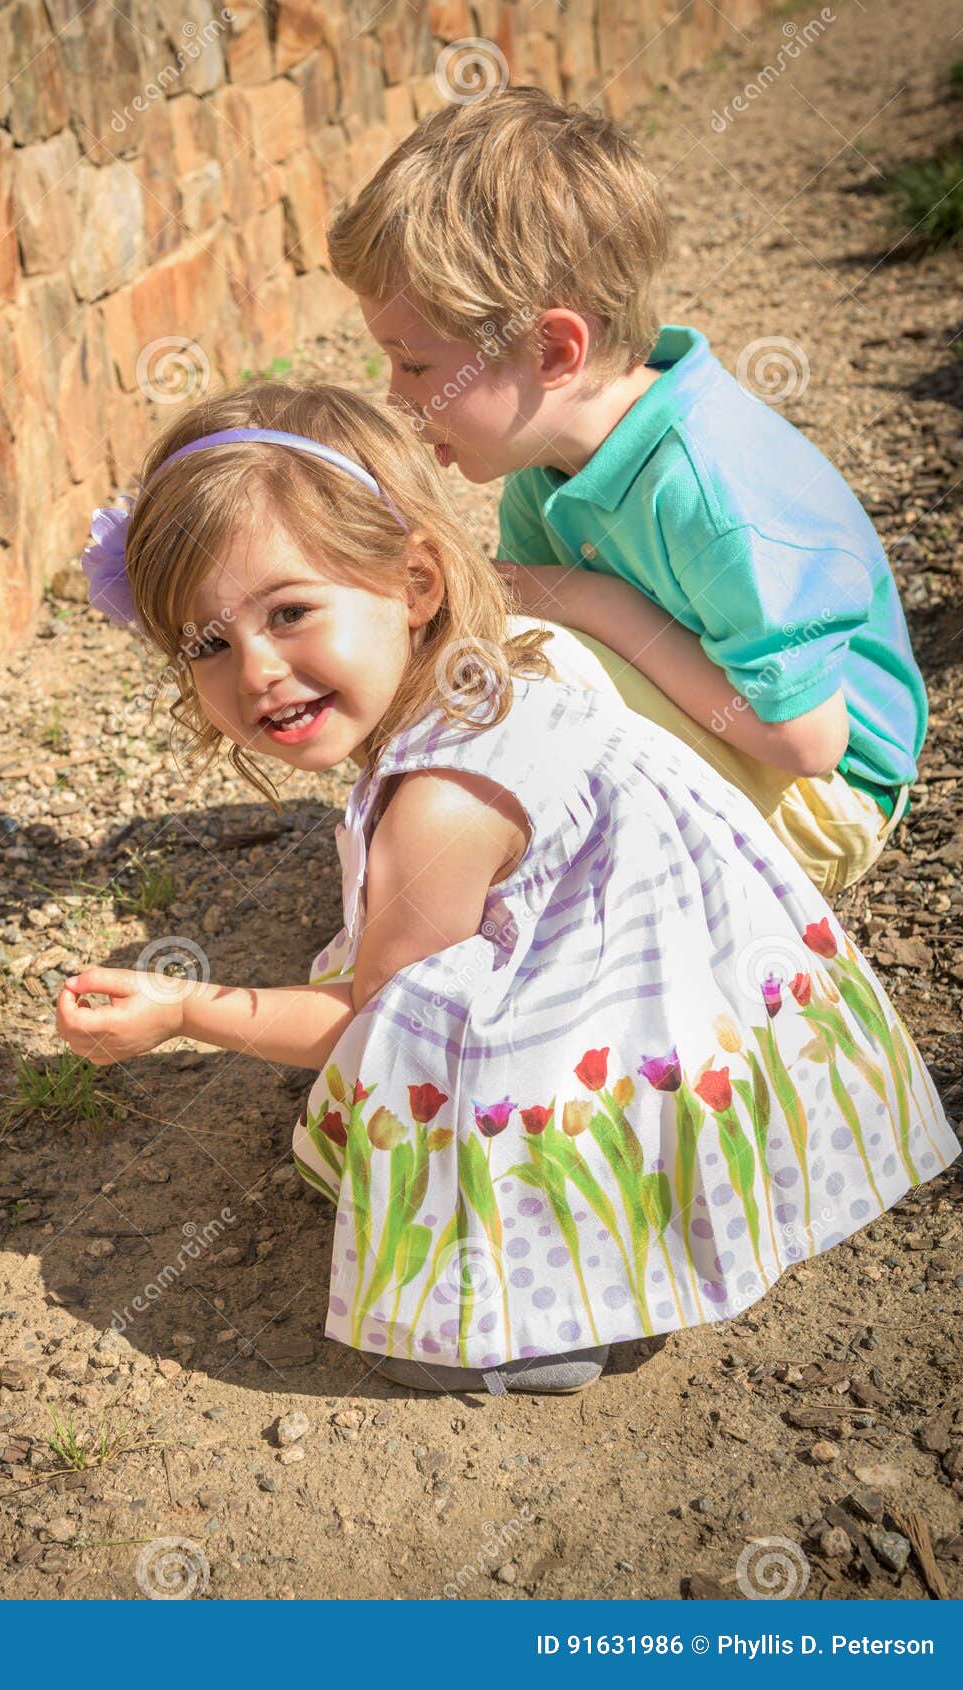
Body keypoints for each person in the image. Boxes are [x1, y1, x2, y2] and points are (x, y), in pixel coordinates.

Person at [55, 380, 958, 1398]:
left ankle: (532, 1320)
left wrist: (184, 1009)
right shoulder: (497, 677)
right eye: (209, 643)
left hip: (642, 1030)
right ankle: (615, 1226)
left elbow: (362, 1025)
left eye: (290, 612)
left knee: (409, 1083)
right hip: (710, 1004)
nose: (257, 670)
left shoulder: (436, 807)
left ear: (414, 585)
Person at [326, 86, 930, 900]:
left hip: (823, 806)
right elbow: (517, 622)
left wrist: (593, 602)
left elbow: (808, 740)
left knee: (547, 662)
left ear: (551, 350)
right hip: (749, 758)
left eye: (417, 365)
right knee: (507, 654)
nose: (397, 397)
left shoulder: (708, 489)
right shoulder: (549, 460)